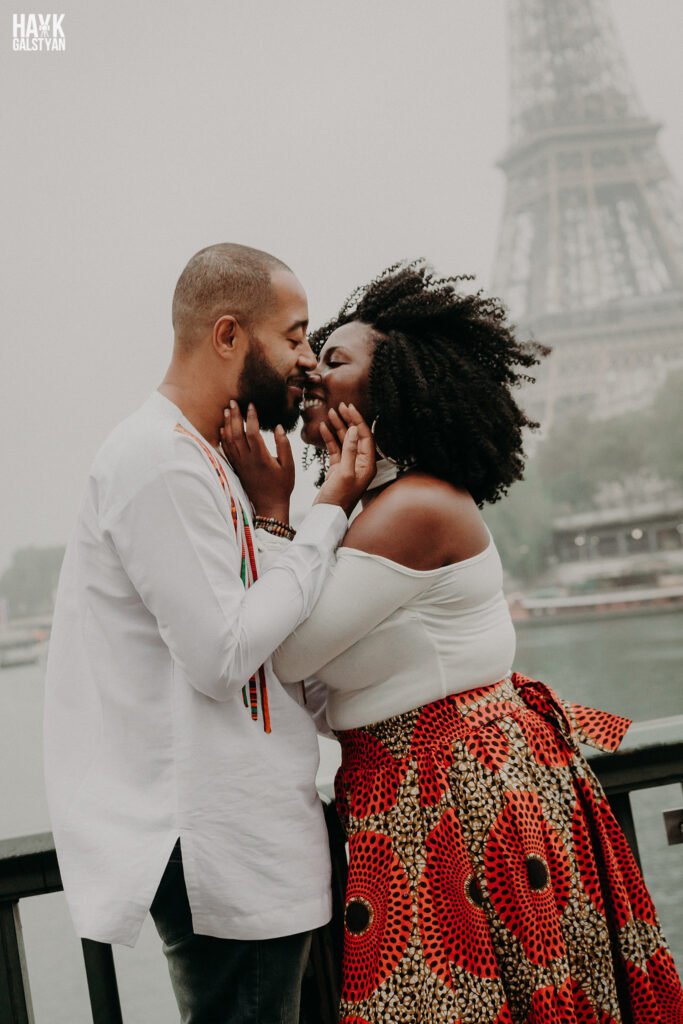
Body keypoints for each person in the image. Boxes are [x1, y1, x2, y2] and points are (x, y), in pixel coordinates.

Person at [226, 260, 683, 1024]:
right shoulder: (384, 504)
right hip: (430, 797)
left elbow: (290, 653)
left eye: (334, 360)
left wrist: (279, 512)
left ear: (396, 388)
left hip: (454, 803)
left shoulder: (412, 509)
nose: (308, 372)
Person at [43, 242, 375, 1024]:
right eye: (293, 335)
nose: (305, 358)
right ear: (228, 335)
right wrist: (328, 511)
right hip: (220, 849)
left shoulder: (219, 460)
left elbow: (270, 633)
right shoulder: (155, 460)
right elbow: (222, 656)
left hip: (258, 835)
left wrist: (279, 514)